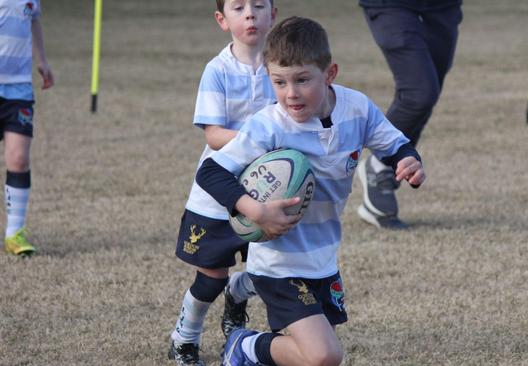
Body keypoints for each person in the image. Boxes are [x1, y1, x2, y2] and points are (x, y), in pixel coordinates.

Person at [195, 16, 426, 366]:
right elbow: (210, 171)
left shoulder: (357, 109)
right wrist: (254, 210)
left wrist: (409, 161)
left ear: (329, 73)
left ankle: (247, 341)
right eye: (279, 82)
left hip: (323, 258)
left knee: (311, 355)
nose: (291, 94)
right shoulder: (268, 125)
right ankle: (243, 345)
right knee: (324, 357)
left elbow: (394, 144)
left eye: (303, 80)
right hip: (277, 263)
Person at [167, 1, 277, 365]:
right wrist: (262, 138)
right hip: (216, 194)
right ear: (222, 20)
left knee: (270, 271)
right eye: (238, 7)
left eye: (259, 5)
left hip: (267, 192)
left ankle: (238, 293)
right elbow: (213, 136)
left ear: (273, 14)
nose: (250, 13)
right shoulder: (217, 70)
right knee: (210, 277)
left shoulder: (282, 67)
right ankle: (185, 338)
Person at [356, 0, 462, 229]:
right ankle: (380, 164)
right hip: (390, 5)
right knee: (420, 91)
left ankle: (382, 165)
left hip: (443, 7)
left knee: (429, 89)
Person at [1, 0, 53, 256]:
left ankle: (14, 233)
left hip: (18, 88)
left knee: (19, 159)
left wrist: (42, 60)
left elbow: (33, 21)